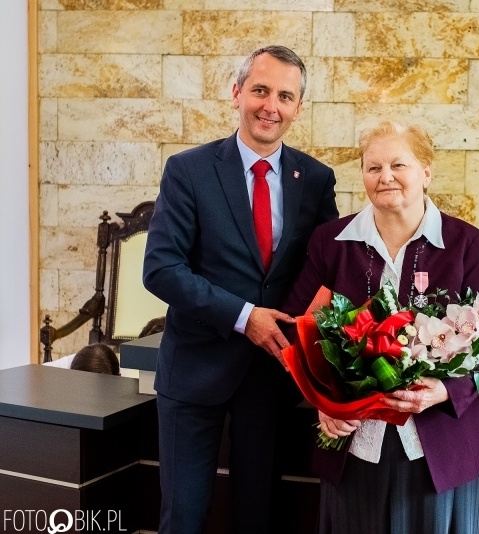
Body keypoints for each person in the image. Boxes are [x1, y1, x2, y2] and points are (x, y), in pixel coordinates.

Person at [143, 45, 338, 534]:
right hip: (193, 372)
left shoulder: (315, 180)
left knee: (259, 514)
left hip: (271, 376)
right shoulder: (188, 170)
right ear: (237, 93)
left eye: (285, 96)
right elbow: (161, 268)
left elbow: (326, 270)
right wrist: (243, 315)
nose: (271, 105)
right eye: (260, 90)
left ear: (297, 107)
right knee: (183, 516)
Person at [283, 120, 479, 534]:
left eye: (398, 165)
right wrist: (324, 404)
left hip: (444, 445)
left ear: (426, 171)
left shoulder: (468, 245)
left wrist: (446, 389)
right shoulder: (330, 243)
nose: (385, 177)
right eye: (373, 167)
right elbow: (295, 332)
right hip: (354, 445)